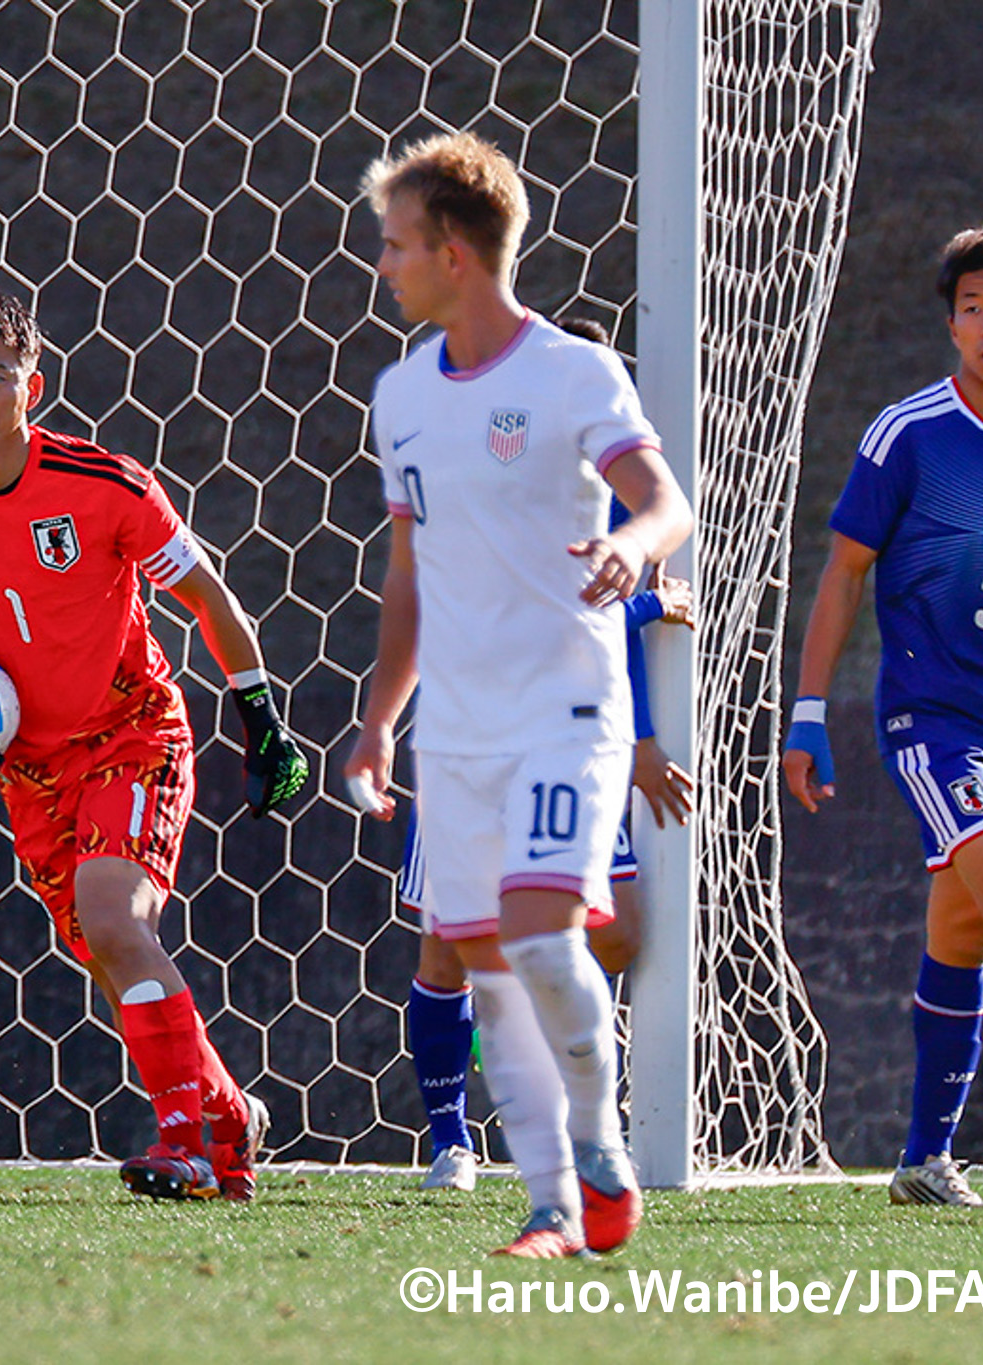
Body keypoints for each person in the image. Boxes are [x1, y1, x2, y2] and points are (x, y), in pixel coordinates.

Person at [0, 290, 310, 1202]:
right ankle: (224, 1110)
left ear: (33, 385)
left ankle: (187, 1143)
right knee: (107, 950)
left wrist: (261, 714)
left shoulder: (107, 485)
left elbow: (208, 594)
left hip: (134, 730)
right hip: (29, 770)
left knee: (112, 915)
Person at [344, 132, 694, 1258]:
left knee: (544, 944)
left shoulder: (570, 372)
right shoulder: (398, 395)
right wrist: (376, 721)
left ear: (451, 250)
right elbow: (405, 574)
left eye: (395, 245)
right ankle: (550, 1208)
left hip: (566, 712)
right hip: (453, 733)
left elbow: (662, 500)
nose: (382, 267)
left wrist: (634, 547)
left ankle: (599, 1158)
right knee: (488, 968)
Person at [397, 316, 696, 1194]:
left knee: (619, 932)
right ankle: (451, 1138)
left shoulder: (616, 492)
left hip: (576, 740)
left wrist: (638, 725)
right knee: (446, 949)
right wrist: (642, 608)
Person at [785, 209, 983, 1210]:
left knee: (963, 933)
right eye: (971, 308)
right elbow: (843, 573)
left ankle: (922, 1161)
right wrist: (807, 713)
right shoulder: (908, 434)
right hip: (931, 726)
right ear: (949, 327)